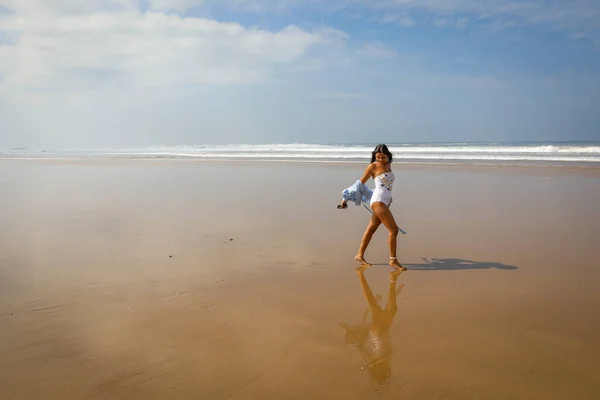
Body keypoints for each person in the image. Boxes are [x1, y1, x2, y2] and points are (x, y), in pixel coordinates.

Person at [339, 144, 406, 270]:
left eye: (383, 157)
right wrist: (345, 199)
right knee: (394, 230)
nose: (380, 160)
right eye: (378, 157)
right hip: (378, 202)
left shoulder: (388, 165)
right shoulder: (373, 166)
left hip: (385, 202)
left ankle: (359, 255)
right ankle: (393, 260)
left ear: (388, 156)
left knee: (371, 229)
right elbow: (358, 185)